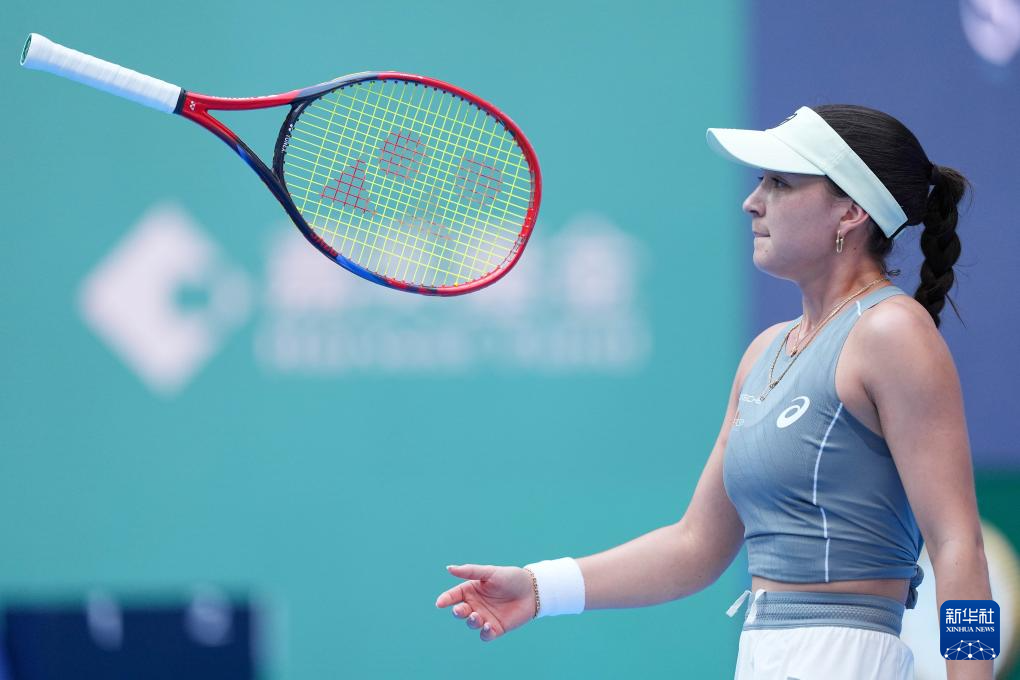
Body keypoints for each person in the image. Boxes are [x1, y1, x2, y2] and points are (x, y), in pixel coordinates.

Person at [434, 104, 991, 680]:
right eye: (760, 182)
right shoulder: (764, 353)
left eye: (780, 183)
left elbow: (958, 546)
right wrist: (537, 587)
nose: (752, 202)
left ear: (850, 211)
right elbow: (695, 546)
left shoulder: (892, 331)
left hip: (846, 659)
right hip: (762, 655)